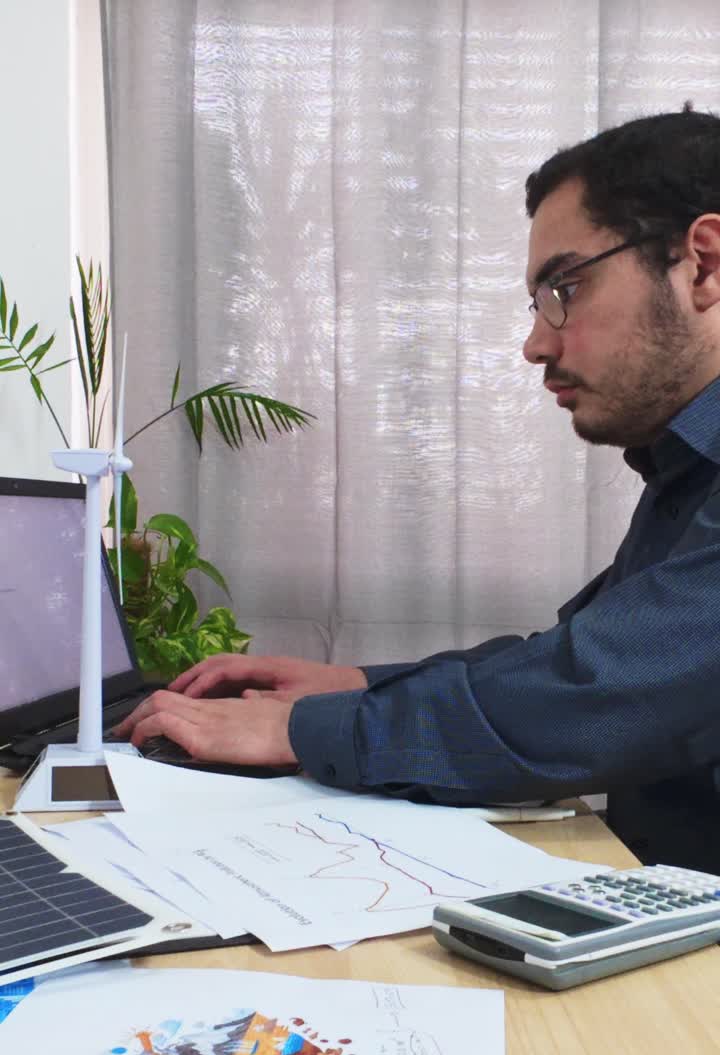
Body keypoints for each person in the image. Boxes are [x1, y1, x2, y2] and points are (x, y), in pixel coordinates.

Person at [116, 106, 720, 873]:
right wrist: (354, 683)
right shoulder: (686, 470)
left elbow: (597, 697)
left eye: (564, 289)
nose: (536, 342)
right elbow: (577, 659)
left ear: (702, 263)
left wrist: (299, 731)